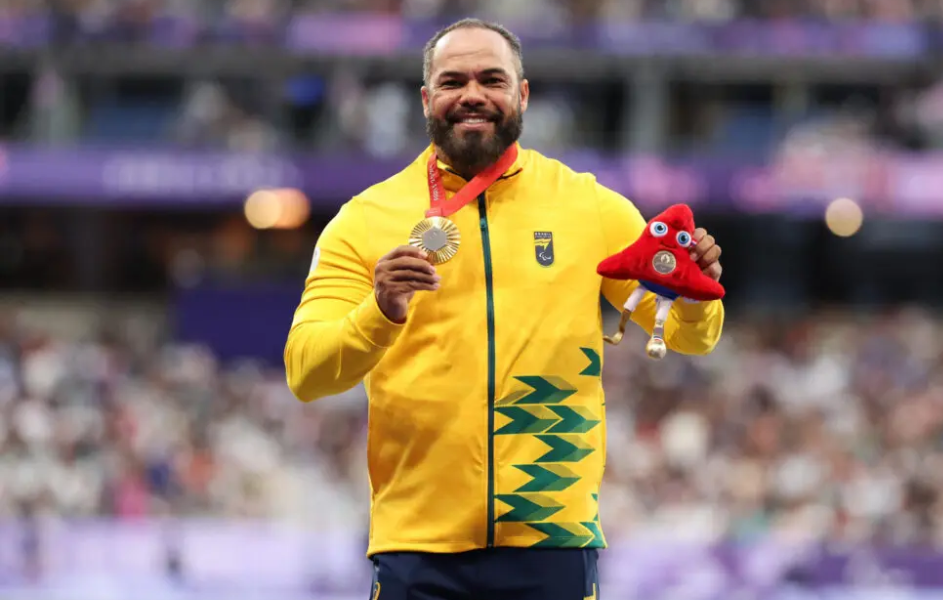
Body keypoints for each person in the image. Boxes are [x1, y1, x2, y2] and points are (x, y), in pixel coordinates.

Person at [284, 18, 725, 600]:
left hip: (552, 541)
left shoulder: (590, 207)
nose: (472, 94)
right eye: (452, 81)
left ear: (522, 94)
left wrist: (692, 295)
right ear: (426, 99)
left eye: (492, 79)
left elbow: (691, 339)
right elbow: (306, 372)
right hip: (417, 548)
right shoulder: (364, 220)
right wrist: (380, 311)